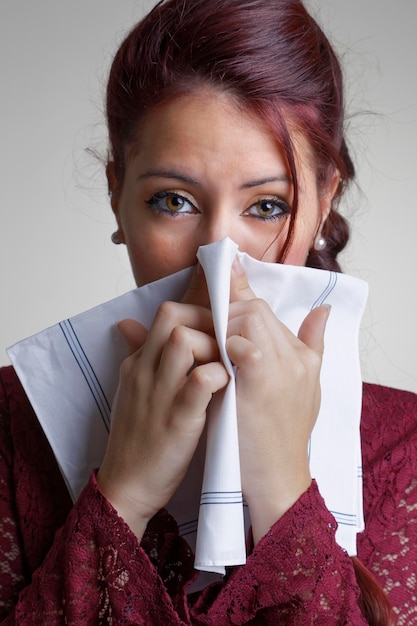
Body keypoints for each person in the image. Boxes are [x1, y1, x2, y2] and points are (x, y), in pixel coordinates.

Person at [0, 0, 416, 623]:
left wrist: (284, 492)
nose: (220, 258)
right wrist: (123, 495)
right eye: (173, 200)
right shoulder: (9, 428)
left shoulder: (406, 450)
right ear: (117, 196)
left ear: (325, 199)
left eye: (268, 205)